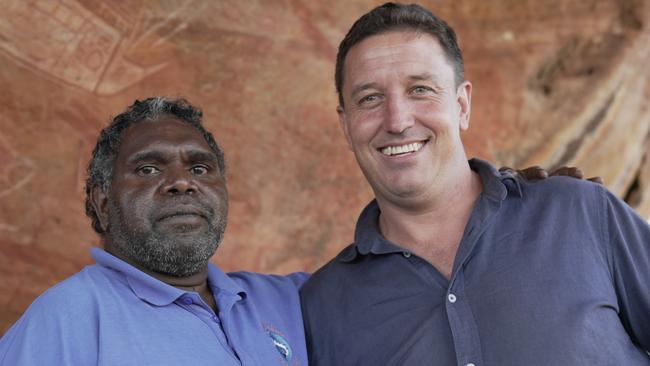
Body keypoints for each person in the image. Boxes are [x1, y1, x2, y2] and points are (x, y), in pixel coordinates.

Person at [300, 3, 650, 365]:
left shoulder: (577, 213)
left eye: (420, 89)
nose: (398, 120)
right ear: (345, 125)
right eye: (369, 98)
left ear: (462, 104)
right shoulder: (321, 308)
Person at [0, 97, 307, 365]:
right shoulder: (68, 317)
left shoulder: (291, 299)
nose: (183, 182)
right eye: (148, 169)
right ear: (103, 204)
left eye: (199, 169)